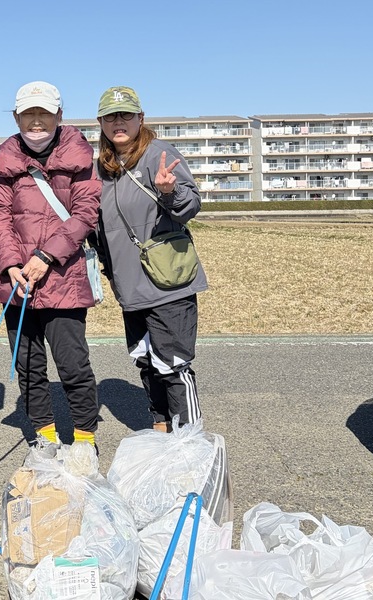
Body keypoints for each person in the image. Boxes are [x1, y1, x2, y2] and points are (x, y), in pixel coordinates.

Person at [0, 82, 102, 448]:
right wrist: (11, 264)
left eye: (44, 113)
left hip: (63, 275)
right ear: (16, 117)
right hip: (17, 280)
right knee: (28, 366)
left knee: (73, 365)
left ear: (59, 116)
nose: (36, 122)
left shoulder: (79, 156)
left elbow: (85, 213)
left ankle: (84, 439)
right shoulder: (7, 158)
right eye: (28, 114)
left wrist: (45, 256)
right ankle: (45, 438)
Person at [94, 86, 209, 431]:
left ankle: (190, 439)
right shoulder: (101, 167)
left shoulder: (158, 153)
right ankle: (160, 428)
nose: (119, 122)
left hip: (167, 282)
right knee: (146, 361)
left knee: (173, 364)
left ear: (140, 118)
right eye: (111, 116)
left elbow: (190, 206)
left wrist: (169, 191)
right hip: (129, 285)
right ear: (100, 122)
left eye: (126, 115)